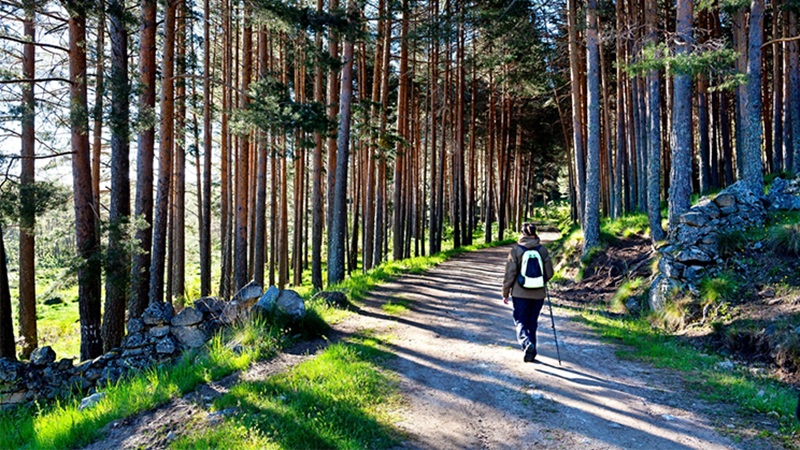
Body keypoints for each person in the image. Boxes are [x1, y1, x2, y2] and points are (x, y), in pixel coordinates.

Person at [502, 223, 554, 363]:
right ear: (535, 233)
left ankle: (526, 343)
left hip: (520, 293)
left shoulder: (516, 251)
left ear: (522, 233)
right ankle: (532, 350)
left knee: (520, 320)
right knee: (532, 321)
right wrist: (539, 281)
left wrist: (505, 292)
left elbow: (510, 274)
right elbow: (549, 273)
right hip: (538, 294)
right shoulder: (542, 250)